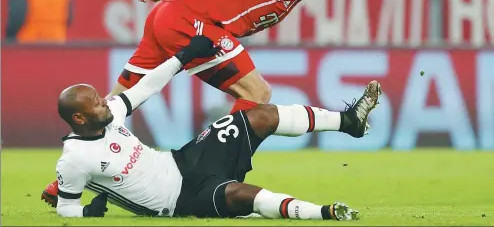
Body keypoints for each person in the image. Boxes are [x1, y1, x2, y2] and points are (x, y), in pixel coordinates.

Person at [50, 36, 381, 220]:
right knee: (239, 195)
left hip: (185, 160)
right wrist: (85, 215)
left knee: (260, 115)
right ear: (79, 119)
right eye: (96, 102)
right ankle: (325, 214)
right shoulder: (75, 158)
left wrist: (182, 57)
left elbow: (147, 86)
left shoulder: (111, 116)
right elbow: (66, 207)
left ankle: (348, 122)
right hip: (180, 201)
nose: (106, 102)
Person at [114, 0, 360, 115]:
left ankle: (85, 139)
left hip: (169, 15)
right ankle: (212, 165)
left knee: (116, 104)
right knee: (257, 93)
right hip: (188, 21)